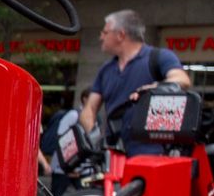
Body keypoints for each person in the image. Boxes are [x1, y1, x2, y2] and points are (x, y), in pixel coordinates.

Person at [80, 10, 191, 156]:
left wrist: (153, 88)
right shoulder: (106, 69)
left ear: (120, 35)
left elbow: (182, 80)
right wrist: (95, 140)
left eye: (105, 32)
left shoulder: (158, 57)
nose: (101, 37)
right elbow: (89, 108)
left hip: (153, 153)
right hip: (114, 155)